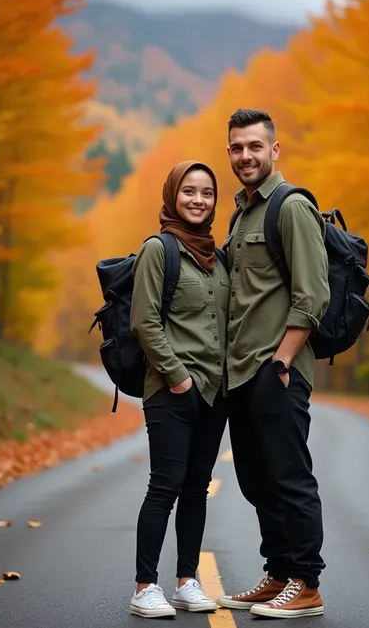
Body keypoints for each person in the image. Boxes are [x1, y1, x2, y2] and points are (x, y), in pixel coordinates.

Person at [217, 109, 330, 619]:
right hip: (240, 372)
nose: (246, 156)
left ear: (274, 150)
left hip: (276, 370)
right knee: (256, 481)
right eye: (237, 148)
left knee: (290, 478)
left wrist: (282, 362)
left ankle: (306, 584)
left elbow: (313, 295)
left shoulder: (291, 207)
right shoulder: (240, 215)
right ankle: (279, 574)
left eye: (255, 147)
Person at [129, 161, 229, 619]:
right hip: (170, 390)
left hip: (214, 392)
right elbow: (144, 321)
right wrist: (177, 376)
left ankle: (187, 581)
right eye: (189, 191)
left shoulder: (219, 257)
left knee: (196, 489)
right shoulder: (160, 249)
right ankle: (144, 586)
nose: (198, 200)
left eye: (207, 193)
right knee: (164, 486)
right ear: (173, 196)